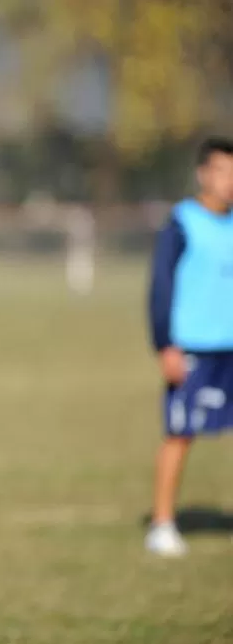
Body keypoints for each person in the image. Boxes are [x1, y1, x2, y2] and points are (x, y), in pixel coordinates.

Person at [145, 136, 233, 557]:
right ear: (203, 174)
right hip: (194, 346)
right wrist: (165, 344)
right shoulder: (182, 222)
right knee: (180, 433)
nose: (229, 182)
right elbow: (161, 287)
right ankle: (162, 523)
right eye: (221, 171)